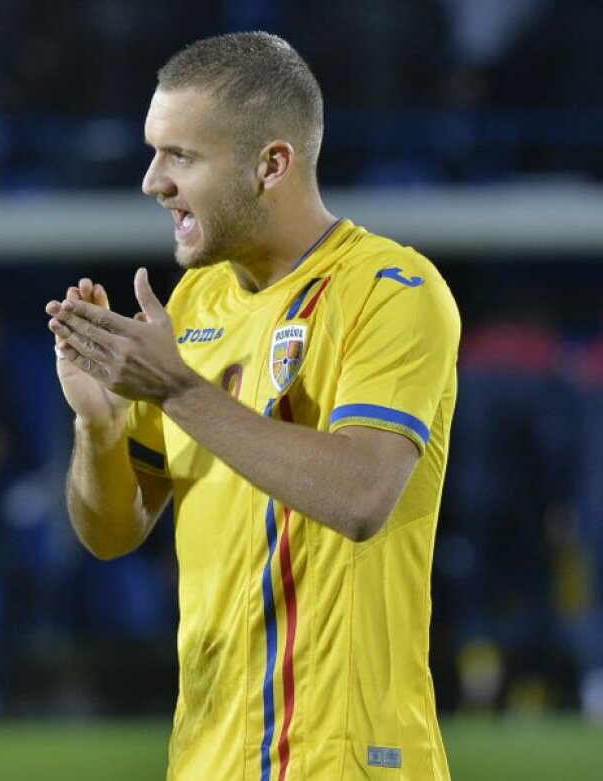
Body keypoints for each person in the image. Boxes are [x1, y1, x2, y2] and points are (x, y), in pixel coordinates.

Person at [46, 32, 460, 780]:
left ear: (271, 164)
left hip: (344, 757)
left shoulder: (392, 290)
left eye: (181, 156)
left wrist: (174, 387)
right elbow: (112, 532)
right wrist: (99, 423)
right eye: (153, 151)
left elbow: (363, 494)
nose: (151, 181)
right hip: (206, 758)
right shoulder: (197, 300)